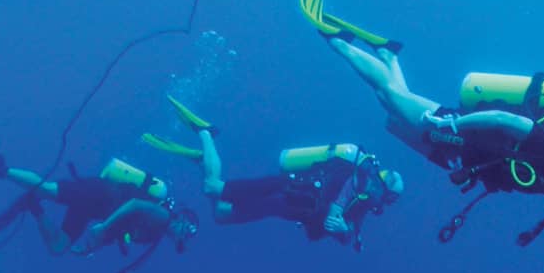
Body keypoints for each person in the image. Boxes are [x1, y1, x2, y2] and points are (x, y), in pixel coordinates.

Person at [296, 0, 544, 246]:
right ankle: (338, 42)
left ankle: (388, 56)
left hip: (463, 150)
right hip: (461, 132)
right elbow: (505, 120)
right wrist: (452, 122)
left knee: (394, 102)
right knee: (390, 95)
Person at [142, 98, 403, 248]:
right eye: (388, 199)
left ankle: (204, 156)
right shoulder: (361, 192)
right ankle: (206, 133)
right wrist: (342, 224)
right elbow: (339, 229)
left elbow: (345, 234)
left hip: (283, 187)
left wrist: (344, 228)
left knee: (219, 210)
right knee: (213, 191)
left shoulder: (359, 191)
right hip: (283, 200)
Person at [0, 152, 197, 270]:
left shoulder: (153, 236)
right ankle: (0, 169)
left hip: (94, 210)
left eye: (188, 236)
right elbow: (134, 204)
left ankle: (33, 206)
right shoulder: (162, 216)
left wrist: (91, 247)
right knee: (47, 189)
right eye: (188, 229)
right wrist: (105, 227)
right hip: (99, 192)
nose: (185, 236)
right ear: (182, 219)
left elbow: (119, 230)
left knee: (58, 247)